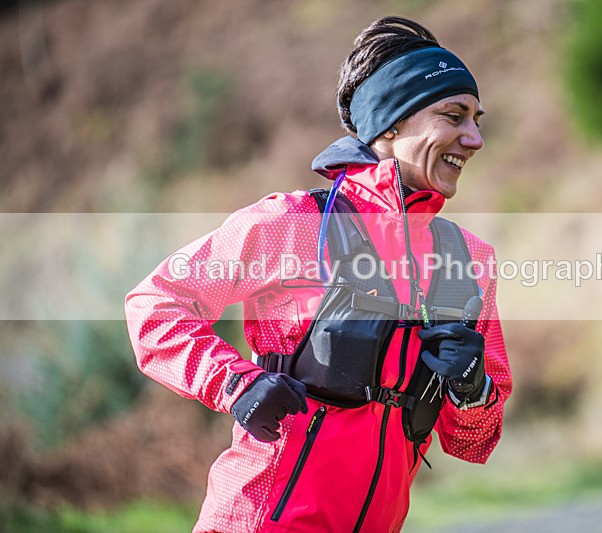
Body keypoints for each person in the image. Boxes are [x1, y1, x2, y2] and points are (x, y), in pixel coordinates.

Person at [125, 16, 512, 532]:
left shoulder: (468, 262)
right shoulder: (291, 224)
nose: (475, 138)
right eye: (454, 116)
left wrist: (473, 387)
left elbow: (474, 443)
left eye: (476, 120)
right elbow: (155, 306)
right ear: (391, 124)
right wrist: (235, 383)